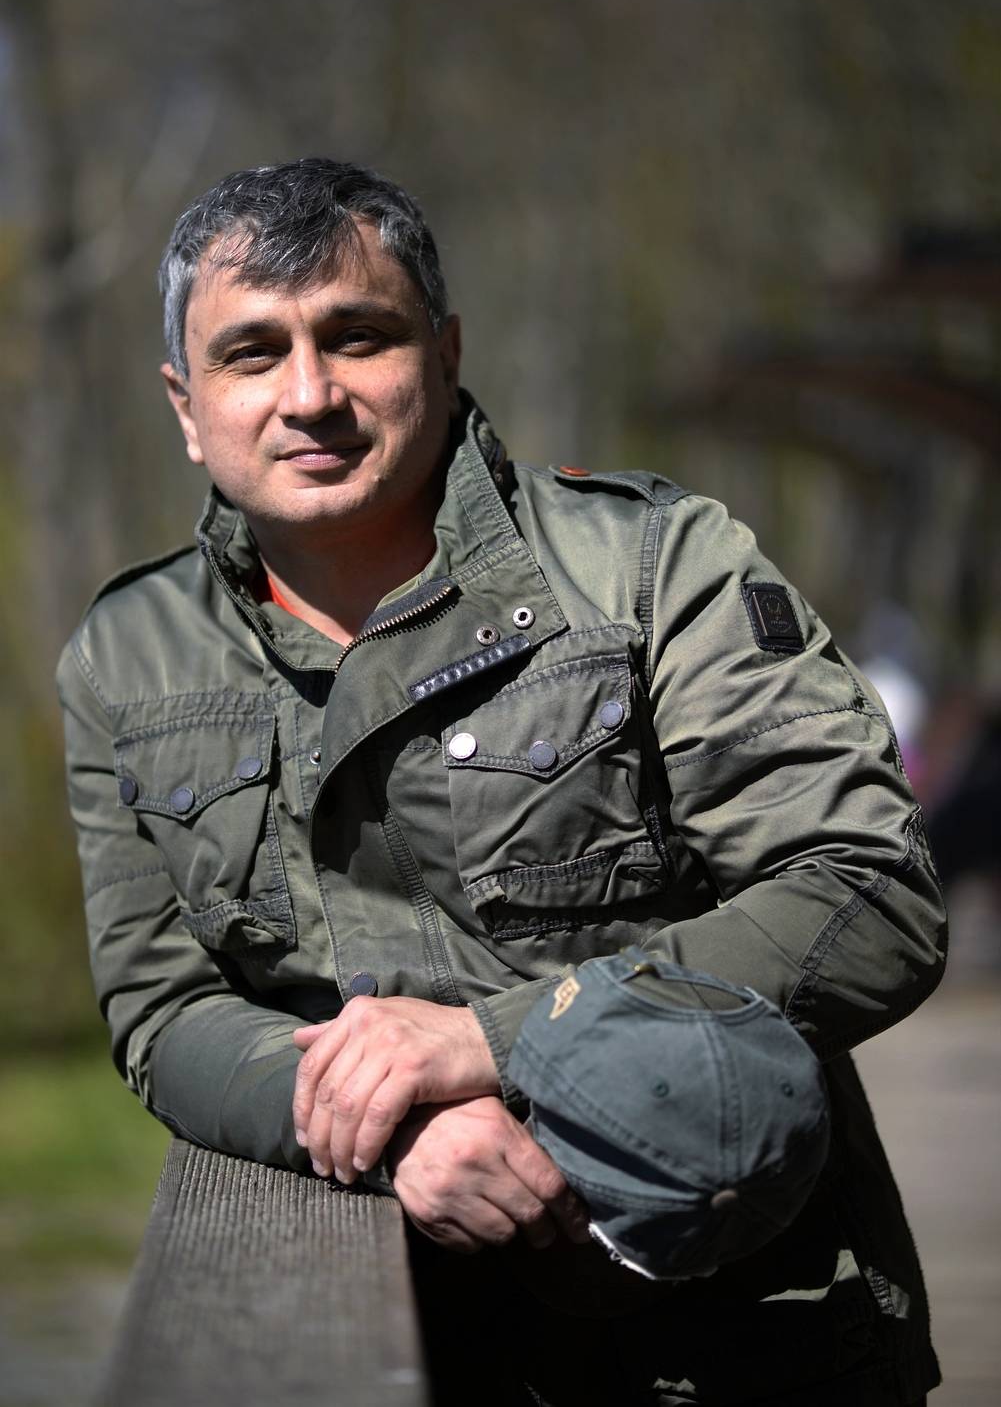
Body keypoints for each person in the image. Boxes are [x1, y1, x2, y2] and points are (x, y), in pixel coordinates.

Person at [58, 158, 944, 1406]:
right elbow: (164, 1010)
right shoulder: (127, 656)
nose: (308, 396)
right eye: (251, 353)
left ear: (444, 350)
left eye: (357, 337)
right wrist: (388, 1124)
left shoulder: (653, 570)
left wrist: (491, 1045)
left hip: (738, 1332)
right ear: (187, 405)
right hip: (383, 1345)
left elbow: (866, 893)